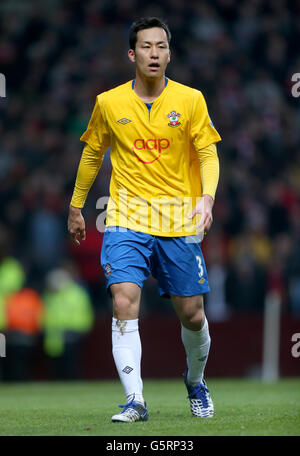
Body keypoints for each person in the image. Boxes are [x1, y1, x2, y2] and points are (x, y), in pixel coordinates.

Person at [68, 17, 221, 422]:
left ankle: (195, 380)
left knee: (193, 313)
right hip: (125, 216)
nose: (155, 53)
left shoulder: (190, 100)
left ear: (170, 53)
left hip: (179, 219)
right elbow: (91, 154)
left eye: (162, 46)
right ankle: (135, 399)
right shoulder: (109, 102)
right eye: (147, 47)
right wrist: (76, 205)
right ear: (132, 54)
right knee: (123, 300)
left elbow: (207, 153)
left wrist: (206, 200)